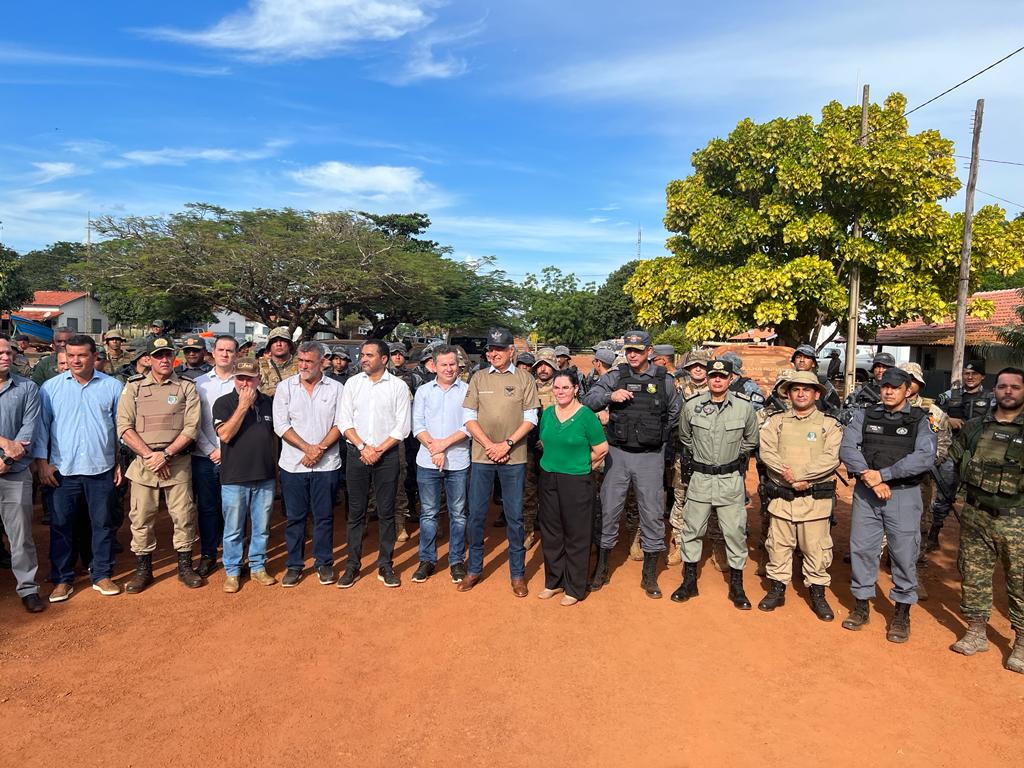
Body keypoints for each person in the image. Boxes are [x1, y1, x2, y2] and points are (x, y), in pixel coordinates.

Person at [839, 366, 937, 643]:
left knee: (904, 554)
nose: (889, 391)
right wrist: (872, 481)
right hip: (867, 494)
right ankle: (861, 606)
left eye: (896, 387)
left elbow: (923, 458)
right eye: (885, 386)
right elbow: (848, 449)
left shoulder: (921, 419)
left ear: (908, 390)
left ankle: (901, 613)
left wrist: (883, 475)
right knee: (862, 549)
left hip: (904, 495)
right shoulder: (864, 414)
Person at [584, 330, 681, 599]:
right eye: (628, 350)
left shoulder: (665, 380)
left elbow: (674, 413)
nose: (632, 355)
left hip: (650, 456)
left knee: (651, 514)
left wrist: (653, 434)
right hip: (618, 454)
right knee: (609, 509)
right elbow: (588, 400)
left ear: (650, 351)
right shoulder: (615, 376)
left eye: (638, 350)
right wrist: (609, 397)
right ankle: (601, 569)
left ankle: (649, 576)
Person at [34, 334, 124, 601]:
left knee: (103, 524)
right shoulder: (50, 388)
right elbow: (42, 430)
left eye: (82, 355)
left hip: (102, 468)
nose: (75, 360)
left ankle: (102, 574)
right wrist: (42, 463)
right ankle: (63, 579)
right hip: (63, 470)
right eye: (71, 355)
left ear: (94, 356)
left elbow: (121, 429)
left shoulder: (113, 387)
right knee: (61, 525)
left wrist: (119, 462)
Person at [948, 366, 1024, 672]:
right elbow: (953, 457)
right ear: (994, 390)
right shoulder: (976, 427)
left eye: (1014, 387)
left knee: (1020, 581)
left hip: (1017, 520)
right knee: (974, 575)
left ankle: (1021, 642)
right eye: (1002, 386)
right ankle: (976, 631)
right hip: (977, 514)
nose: (1007, 391)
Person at [116, 337, 204, 592]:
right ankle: (144, 569)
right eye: (158, 356)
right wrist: (149, 456)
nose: (164, 360)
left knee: (184, 515)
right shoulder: (133, 387)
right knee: (141, 517)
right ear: (149, 359)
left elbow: (192, 427)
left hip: (177, 463)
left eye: (168, 355)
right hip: (144, 465)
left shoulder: (186, 386)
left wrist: (165, 454)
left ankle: (185, 566)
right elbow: (124, 426)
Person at [459, 327, 540, 596]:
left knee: (515, 517)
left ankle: (517, 574)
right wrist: (490, 446)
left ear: (511, 352)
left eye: (499, 349)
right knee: (477, 514)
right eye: (490, 349)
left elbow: (531, 418)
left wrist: (505, 444)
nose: (493, 353)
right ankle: (474, 569)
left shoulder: (525, 379)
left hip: (513, 457)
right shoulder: (479, 378)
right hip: (482, 457)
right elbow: (468, 417)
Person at [673, 358, 759, 609]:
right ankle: (689, 582)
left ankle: (737, 586)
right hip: (700, 477)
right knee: (692, 530)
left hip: (730, 479)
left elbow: (751, 441)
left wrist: (729, 458)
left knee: (734, 532)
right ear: (708, 379)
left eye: (723, 376)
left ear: (731, 379)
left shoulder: (744, 408)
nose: (717, 380)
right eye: (713, 376)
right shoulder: (692, 406)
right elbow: (685, 437)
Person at [755, 371, 842, 620]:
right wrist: (788, 476)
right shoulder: (776, 422)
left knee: (816, 549)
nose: (801, 393)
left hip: (814, 501)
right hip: (782, 497)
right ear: (789, 394)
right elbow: (767, 451)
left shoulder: (829, 425)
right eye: (796, 389)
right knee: (778, 546)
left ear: (816, 394)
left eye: (806, 389)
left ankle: (817, 594)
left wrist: (803, 476)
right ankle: (777, 589)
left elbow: (831, 457)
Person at [337, 339, 411, 588]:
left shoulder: (398, 387)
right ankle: (352, 566)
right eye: (362, 355)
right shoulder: (352, 384)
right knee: (356, 512)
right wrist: (362, 447)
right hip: (357, 454)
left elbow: (403, 427)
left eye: (369, 355)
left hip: (386, 456)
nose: (363, 359)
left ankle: (385, 565)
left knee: (386, 511)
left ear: (384, 359)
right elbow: (344, 421)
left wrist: (378, 449)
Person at [273, 341, 344, 587]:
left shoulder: (336, 389)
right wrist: (307, 449)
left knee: (324, 517)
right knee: (295, 517)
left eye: (309, 362)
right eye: (300, 361)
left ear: (322, 362)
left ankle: (324, 563)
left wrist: (320, 449)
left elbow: (341, 423)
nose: (303, 366)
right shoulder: (285, 388)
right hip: (294, 465)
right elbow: (281, 425)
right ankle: (294, 565)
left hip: (326, 465)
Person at [537, 370, 608, 606]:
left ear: (576, 389)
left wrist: (581, 465)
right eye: (557, 388)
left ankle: (574, 587)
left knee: (576, 534)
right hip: (549, 478)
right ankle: (553, 581)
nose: (560, 392)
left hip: (577, 481)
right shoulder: (547, 414)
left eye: (565, 388)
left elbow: (601, 449)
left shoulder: (586, 415)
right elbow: (545, 442)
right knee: (551, 532)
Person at [212, 358, 279, 592]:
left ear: (258, 379)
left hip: (265, 475)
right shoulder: (223, 403)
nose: (245, 383)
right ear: (234, 378)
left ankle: (258, 566)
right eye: (240, 378)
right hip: (234, 477)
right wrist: (242, 406)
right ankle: (232, 571)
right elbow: (226, 436)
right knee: (233, 529)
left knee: (261, 527)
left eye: (249, 378)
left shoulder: (269, 403)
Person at [411, 345, 470, 583]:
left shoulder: (467, 391)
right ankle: (427, 559)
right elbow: (417, 424)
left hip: (457, 461)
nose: (449, 368)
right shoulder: (424, 391)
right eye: (444, 364)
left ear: (458, 365)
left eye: (452, 364)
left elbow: (469, 425)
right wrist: (433, 447)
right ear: (434, 366)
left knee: (458, 514)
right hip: (427, 460)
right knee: (428, 513)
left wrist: (442, 445)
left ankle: (456, 560)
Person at [899, 361, 951, 600]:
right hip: (886, 479)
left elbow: (942, 445)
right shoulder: (883, 406)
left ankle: (915, 573)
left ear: (919, 384)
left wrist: (918, 464)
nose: (907, 385)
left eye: (912, 380)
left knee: (919, 525)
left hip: (920, 480)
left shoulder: (934, 412)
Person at [0, 334, 44, 613]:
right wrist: (4, 443)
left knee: (21, 535)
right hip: (7, 457)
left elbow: (28, 431)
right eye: (0, 352)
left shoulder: (27, 388)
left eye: (8, 351)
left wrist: (5, 459)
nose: (5, 356)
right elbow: (12, 441)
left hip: (14, 472)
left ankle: (27, 587)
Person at [190, 335, 239, 576]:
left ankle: (235, 555)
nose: (225, 354)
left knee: (235, 507)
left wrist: (227, 450)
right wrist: (211, 450)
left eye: (230, 350)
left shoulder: (243, 383)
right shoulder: (198, 384)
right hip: (204, 456)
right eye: (221, 349)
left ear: (236, 355)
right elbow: (193, 423)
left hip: (235, 456)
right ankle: (209, 553)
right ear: (213, 352)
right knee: (208, 507)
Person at [930, 359, 992, 549]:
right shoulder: (950, 395)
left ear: (982, 376)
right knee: (944, 492)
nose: (970, 377)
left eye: (974, 374)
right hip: (953, 451)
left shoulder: (991, 397)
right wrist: (948, 419)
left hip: (979, 454)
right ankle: (934, 531)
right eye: (966, 373)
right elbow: (931, 412)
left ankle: (981, 538)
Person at [667, 350, 713, 567]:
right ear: (687, 368)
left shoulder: (718, 389)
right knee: (681, 497)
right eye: (694, 365)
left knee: (712, 502)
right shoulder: (678, 389)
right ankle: (679, 542)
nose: (698, 369)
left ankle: (715, 546)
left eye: (702, 366)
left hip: (711, 456)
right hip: (683, 453)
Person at [522, 347, 559, 549]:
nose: (543, 369)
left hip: (553, 450)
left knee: (551, 492)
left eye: (548, 365)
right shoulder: (527, 386)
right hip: (528, 445)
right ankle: (528, 531)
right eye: (540, 365)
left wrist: (549, 439)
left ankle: (549, 531)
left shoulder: (561, 388)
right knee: (528, 490)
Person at [791, 344, 841, 415]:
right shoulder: (788, 383)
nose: (802, 360)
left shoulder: (823, 384)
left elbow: (835, 410)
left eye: (806, 357)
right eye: (798, 357)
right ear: (794, 362)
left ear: (813, 363)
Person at [257, 326, 299, 397]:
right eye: (274, 341)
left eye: (283, 340)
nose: (279, 344)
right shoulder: (260, 367)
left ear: (289, 345)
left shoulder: (301, 365)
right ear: (269, 346)